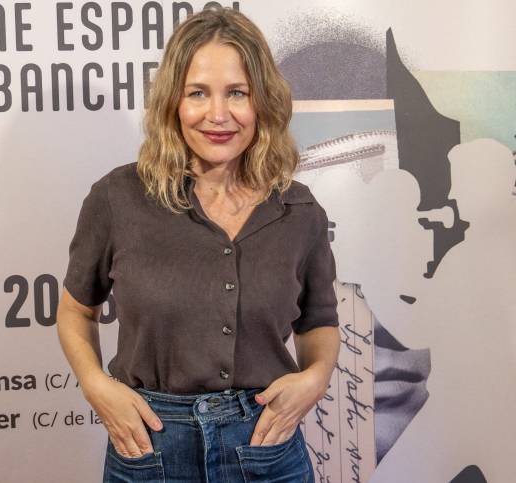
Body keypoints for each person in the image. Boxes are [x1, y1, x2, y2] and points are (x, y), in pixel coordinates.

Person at [56, 7, 340, 482]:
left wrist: (315, 378)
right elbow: (74, 311)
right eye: (198, 93)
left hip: (264, 448)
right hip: (149, 445)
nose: (218, 115)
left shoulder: (299, 211)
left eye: (237, 93)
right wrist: (94, 385)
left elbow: (319, 322)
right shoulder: (117, 198)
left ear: (262, 101)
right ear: (173, 102)